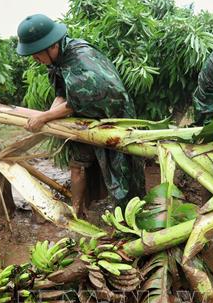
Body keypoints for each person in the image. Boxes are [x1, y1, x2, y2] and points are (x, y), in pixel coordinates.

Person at [15, 14, 145, 217]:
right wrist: (48, 115)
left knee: (120, 175)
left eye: (36, 53)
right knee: (78, 166)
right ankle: (77, 211)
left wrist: (44, 118)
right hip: (83, 121)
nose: (34, 59)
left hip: (111, 119)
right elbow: (62, 94)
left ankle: (129, 220)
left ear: (52, 46)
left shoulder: (81, 58)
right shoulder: (58, 61)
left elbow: (78, 101)